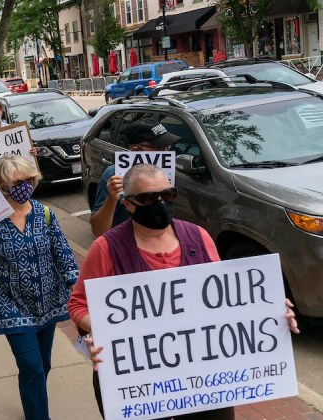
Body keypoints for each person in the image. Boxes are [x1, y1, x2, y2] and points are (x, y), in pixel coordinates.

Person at [67, 164, 301, 420]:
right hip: (138, 385)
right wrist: (107, 330)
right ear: (129, 204)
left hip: (202, 381)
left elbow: (226, 300)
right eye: (147, 198)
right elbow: (78, 305)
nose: (159, 202)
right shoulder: (107, 248)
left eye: (167, 195)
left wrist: (270, 314)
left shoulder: (199, 238)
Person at [0, 155, 79, 420]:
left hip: (47, 303)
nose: (25, 186)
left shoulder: (44, 213)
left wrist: (78, 290)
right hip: (11, 307)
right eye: (17, 182)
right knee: (32, 367)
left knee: (42, 365)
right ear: (2, 185)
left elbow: (64, 255)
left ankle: (33, 401)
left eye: (29, 180)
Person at [89, 119, 179, 237]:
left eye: (167, 146)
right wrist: (111, 199)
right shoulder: (114, 175)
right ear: (136, 150)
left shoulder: (165, 173)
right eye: (159, 147)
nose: (165, 152)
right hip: (125, 246)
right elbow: (98, 231)